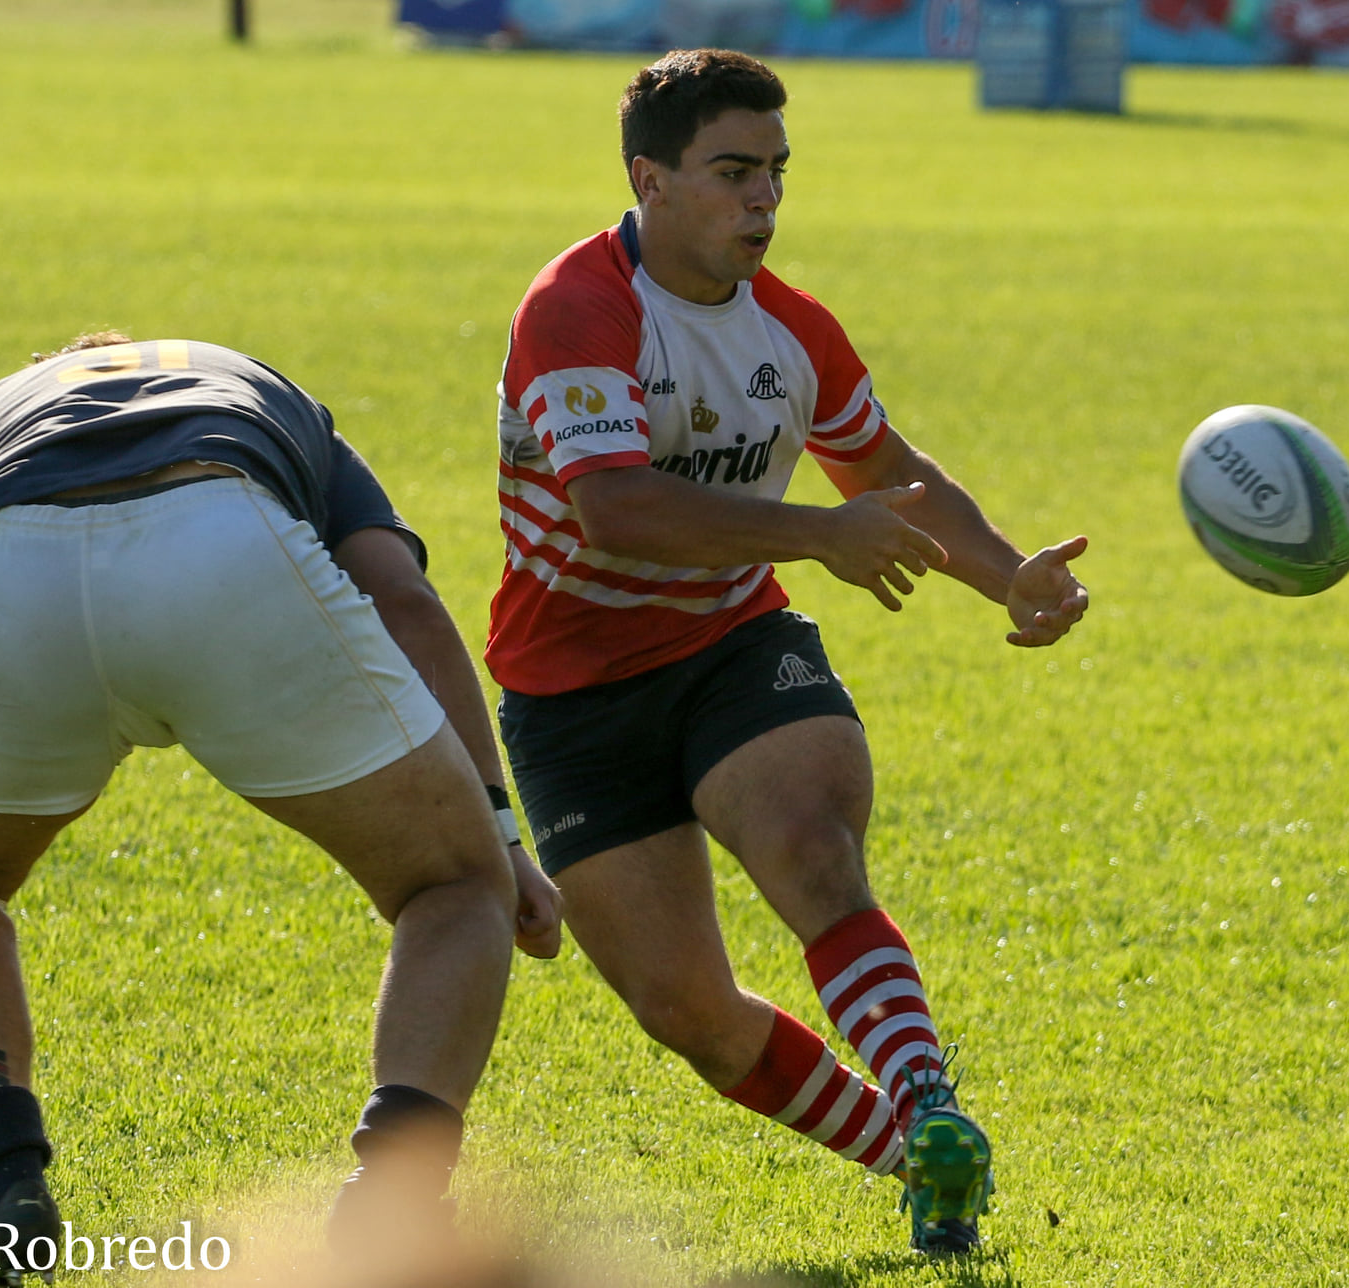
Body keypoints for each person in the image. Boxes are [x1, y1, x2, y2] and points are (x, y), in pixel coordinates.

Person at [485, 50, 1088, 1255]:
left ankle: (929, 1095)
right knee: (689, 1012)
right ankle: (914, 1155)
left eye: (774, 173)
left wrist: (1005, 573)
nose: (762, 199)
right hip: (570, 692)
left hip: (732, 643)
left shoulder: (793, 330)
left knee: (814, 846)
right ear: (650, 181)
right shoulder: (577, 308)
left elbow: (892, 478)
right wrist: (820, 533)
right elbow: (618, 509)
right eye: (731, 172)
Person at [0, 333, 562, 1286]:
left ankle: (3, 1180)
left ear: (50, 370)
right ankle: (394, 1194)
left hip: (3, 562)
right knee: (454, 882)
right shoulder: (253, 383)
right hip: (222, 540)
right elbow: (405, 600)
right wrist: (500, 834)